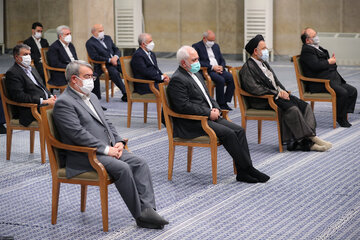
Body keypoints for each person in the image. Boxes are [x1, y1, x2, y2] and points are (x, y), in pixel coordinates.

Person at [53, 60, 169, 229]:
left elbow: (107, 123)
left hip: (107, 149)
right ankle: (140, 216)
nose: (91, 80)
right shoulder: (64, 102)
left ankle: (148, 209)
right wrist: (107, 150)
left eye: (92, 76)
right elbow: (77, 134)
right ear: (73, 79)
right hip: (85, 155)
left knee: (140, 163)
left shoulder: (91, 96)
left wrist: (119, 142)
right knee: (123, 168)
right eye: (87, 76)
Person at [167, 45, 270, 184]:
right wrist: (208, 112)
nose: (198, 62)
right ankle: (249, 169)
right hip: (192, 122)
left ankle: (242, 172)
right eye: (194, 59)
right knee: (229, 134)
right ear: (184, 63)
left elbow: (207, 97)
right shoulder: (178, 79)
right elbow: (183, 106)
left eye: (198, 58)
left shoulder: (196, 73)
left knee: (239, 130)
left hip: (207, 116)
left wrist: (217, 109)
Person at [240, 35, 332, 152]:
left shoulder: (264, 63)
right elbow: (254, 89)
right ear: (255, 51)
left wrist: (283, 91)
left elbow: (275, 81)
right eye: (264, 48)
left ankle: (304, 142)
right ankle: (312, 138)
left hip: (276, 96)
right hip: (263, 100)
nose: (266, 51)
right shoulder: (247, 68)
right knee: (292, 110)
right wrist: (277, 93)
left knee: (305, 106)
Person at [300, 27, 357, 128]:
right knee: (343, 93)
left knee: (352, 91)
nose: (317, 37)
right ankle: (340, 118)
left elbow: (325, 61)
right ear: (307, 40)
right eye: (314, 36)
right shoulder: (307, 50)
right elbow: (315, 66)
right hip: (319, 82)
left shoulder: (316, 47)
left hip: (330, 78)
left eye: (316, 34)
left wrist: (331, 62)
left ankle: (343, 112)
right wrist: (328, 62)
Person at [5, 44, 56, 127]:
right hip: (30, 109)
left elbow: (42, 86)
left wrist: (51, 97)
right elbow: (19, 96)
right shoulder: (13, 73)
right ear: (17, 57)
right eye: (25, 54)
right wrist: (43, 101)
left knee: (67, 107)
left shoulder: (32, 69)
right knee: (62, 113)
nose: (28, 56)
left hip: (43, 104)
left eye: (29, 54)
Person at [192, 30, 234, 110]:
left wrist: (221, 66)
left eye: (213, 40)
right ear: (204, 39)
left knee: (231, 78)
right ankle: (220, 104)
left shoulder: (216, 46)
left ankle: (225, 101)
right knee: (220, 80)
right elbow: (197, 62)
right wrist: (212, 67)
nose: (212, 42)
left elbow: (222, 59)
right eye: (210, 40)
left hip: (219, 69)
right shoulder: (196, 46)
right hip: (208, 70)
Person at [86, 24, 127, 102]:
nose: (102, 32)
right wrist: (109, 60)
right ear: (94, 32)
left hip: (116, 61)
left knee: (129, 70)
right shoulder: (90, 43)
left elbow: (116, 49)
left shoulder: (107, 38)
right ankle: (125, 93)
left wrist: (115, 57)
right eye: (100, 31)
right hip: (103, 65)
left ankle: (135, 90)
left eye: (103, 30)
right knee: (114, 72)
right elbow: (94, 57)